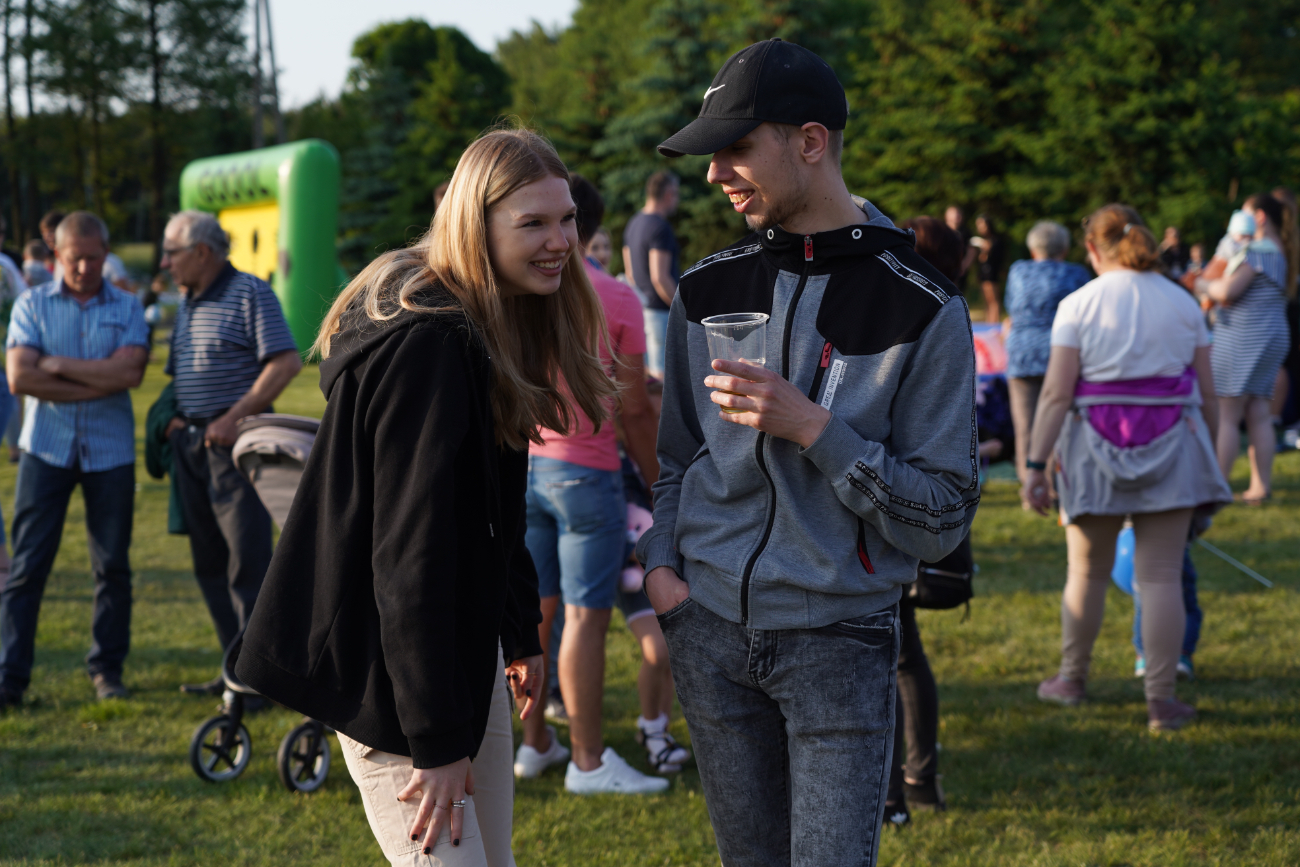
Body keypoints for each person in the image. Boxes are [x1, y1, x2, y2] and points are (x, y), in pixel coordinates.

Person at [236, 128, 616, 867]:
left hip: (458, 657)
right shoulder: (433, 342)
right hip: (392, 681)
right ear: (477, 224)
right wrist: (437, 742)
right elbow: (412, 557)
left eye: (566, 218)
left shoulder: (488, 320)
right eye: (532, 222)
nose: (560, 241)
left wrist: (519, 628)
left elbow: (493, 506)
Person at [644, 39, 978, 866]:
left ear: (811, 140)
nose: (716, 173)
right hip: (709, 633)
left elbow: (940, 515)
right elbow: (676, 460)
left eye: (735, 148)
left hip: (841, 642)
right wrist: (665, 575)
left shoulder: (921, 305)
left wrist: (817, 432)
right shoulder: (704, 289)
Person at [1024, 204, 1231, 732]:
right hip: (1173, 448)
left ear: (1091, 249)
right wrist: (1207, 450)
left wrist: (1034, 464)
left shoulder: (1079, 303)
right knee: (1161, 577)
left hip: (1091, 449)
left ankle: (1072, 679)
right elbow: (1207, 395)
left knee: (1086, 572)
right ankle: (1161, 701)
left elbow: (1054, 394)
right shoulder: (1183, 302)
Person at [513, 175, 668, 794]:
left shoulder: (521, 289)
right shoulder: (614, 296)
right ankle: (588, 760)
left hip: (528, 467)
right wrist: (662, 485)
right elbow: (634, 411)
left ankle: (537, 744)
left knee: (538, 614)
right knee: (584, 618)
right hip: (588, 473)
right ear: (593, 228)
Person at [0, 211, 149, 710]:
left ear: (105, 254)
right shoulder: (32, 304)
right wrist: (97, 375)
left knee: (112, 567)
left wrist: (58, 364)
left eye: (92, 257)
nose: (84, 267)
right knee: (27, 567)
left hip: (110, 454)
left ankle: (107, 669)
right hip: (45, 449)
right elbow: (21, 379)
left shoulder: (127, 306)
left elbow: (129, 375)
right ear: (56, 256)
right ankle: (10, 676)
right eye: (74, 258)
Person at [157, 210, 301, 694]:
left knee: (248, 566)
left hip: (235, 451)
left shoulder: (251, 292)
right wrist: (178, 420)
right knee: (210, 565)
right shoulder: (187, 298)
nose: (164, 263)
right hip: (193, 449)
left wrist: (231, 417)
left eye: (171, 253)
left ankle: (262, 679)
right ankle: (235, 673)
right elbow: (183, 373)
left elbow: (284, 363)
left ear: (201, 252)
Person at [881, 215, 971, 828]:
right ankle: (918, 782)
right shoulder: (954, 314)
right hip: (924, 506)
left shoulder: (904, 310)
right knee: (904, 657)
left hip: (887, 504)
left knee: (885, 657)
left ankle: (892, 795)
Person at [1204, 193, 1293, 504]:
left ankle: (1215, 488)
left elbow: (1228, 289)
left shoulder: (1256, 252)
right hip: (1272, 335)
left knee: (1227, 413)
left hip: (1244, 337)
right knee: (1258, 412)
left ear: (1259, 218)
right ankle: (1259, 487)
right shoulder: (1283, 252)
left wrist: (1203, 286)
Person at [1003, 220, 1091, 484]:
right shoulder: (1076, 274)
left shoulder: (1018, 271)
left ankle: (1030, 486)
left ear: (1033, 249)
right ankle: (1056, 484)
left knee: (1025, 427)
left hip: (1022, 353)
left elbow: (1011, 305)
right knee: (1061, 424)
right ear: (1064, 249)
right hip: (1061, 354)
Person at [622, 170, 680, 379]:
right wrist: (681, 309)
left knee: (647, 377)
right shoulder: (660, 227)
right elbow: (660, 277)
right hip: (660, 314)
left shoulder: (633, 223)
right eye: (676, 194)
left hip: (641, 310)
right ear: (668, 194)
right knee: (663, 380)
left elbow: (630, 273)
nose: (677, 200)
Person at [971, 213, 1005, 322]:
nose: (980, 228)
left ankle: (993, 325)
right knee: (986, 302)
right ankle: (989, 323)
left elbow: (994, 256)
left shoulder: (995, 240)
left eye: (982, 224)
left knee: (993, 301)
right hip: (983, 274)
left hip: (991, 274)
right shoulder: (982, 240)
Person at [945, 205, 977, 281]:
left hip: (959, 270)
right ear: (947, 216)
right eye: (954, 213)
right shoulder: (942, 231)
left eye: (959, 213)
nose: (957, 215)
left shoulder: (966, 232)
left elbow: (971, 251)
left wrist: (964, 266)